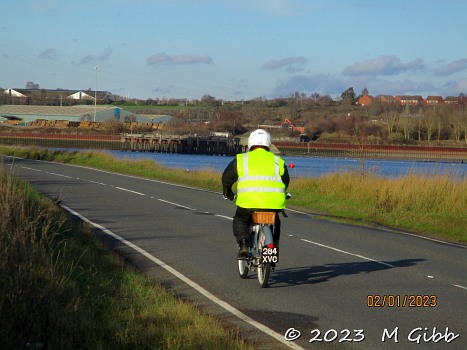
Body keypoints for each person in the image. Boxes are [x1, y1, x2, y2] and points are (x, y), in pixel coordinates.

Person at [222, 129, 290, 259]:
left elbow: (227, 178)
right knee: (276, 221)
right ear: (269, 144)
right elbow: (285, 181)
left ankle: (243, 244)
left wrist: (228, 193)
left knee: (240, 220)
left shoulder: (242, 159)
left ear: (250, 143)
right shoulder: (278, 161)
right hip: (273, 204)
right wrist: (281, 193)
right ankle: (273, 246)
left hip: (248, 203)